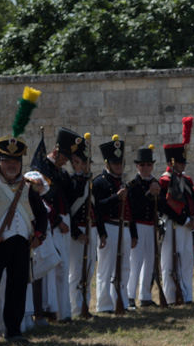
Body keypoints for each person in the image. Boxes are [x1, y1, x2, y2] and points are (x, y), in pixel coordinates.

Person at [0, 87, 48, 344]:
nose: (11, 164)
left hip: (20, 244)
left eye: (15, 161)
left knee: (17, 288)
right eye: (6, 161)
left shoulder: (28, 187)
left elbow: (40, 214)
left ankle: (14, 331)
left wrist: (39, 235)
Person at [37, 128, 79, 322]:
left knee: (63, 267)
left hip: (64, 220)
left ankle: (64, 312)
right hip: (52, 222)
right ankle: (51, 311)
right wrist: (56, 221)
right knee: (53, 267)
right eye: (63, 158)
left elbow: (71, 195)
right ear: (56, 151)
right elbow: (42, 198)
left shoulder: (61, 173)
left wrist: (77, 172)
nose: (65, 162)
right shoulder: (42, 167)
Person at [93, 135, 138, 313]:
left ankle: (122, 301)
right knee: (106, 268)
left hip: (125, 228)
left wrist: (134, 233)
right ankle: (104, 305)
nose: (118, 166)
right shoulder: (99, 182)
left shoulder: (123, 182)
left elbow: (130, 210)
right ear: (107, 164)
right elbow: (98, 208)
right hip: (110, 227)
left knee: (124, 267)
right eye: (115, 163)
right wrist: (115, 198)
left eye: (120, 163)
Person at [160, 122, 194, 303]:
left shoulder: (187, 180)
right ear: (171, 162)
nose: (183, 165)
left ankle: (186, 295)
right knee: (170, 262)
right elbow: (165, 206)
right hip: (174, 224)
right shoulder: (164, 181)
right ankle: (171, 296)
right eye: (180, 161)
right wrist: (184, 219)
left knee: (186, 261)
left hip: (187, 226)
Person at [127, 143, 162, 306]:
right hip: (139, 225)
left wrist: (158, 195)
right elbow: (134, 208)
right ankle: (129, 295)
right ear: (137, 166)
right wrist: (149, 194)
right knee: (136, 262)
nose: (145, 168)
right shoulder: (133, 185)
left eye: (148, 165)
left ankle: (145, 296)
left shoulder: (156, 182)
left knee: (150, 261)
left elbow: (161, 207)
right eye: (142, 165)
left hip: (151, 225)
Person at [67, 136, 96, 316]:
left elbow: (96, 209)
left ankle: (85, 304)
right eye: (82, 163)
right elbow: (68, 211)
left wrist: (101, 233)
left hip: (91, 228)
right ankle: (75, 308)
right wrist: (77, 233)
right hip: (77, 231)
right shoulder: (71, 182)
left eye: (87, 162)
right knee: (76, 272)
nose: (86, 166)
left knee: (89, 269)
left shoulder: (90, 182)